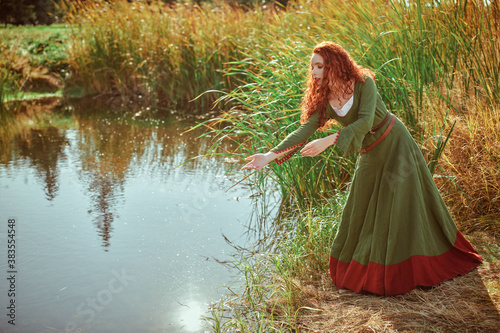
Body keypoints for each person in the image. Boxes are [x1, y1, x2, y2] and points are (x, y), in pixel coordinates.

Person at [240, 41, 482, 296]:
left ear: (334, 65)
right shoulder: (324, 98)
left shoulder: (364, 83)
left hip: (395, 142)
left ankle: (412, 267)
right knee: (359, 207)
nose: (314, 72)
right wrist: (269, 156)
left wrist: (329, 139)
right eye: (311, 67)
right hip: (370, 151)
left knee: (401, 204)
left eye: (319, 66)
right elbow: (304, 130)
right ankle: (365, 269)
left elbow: (366, 120)